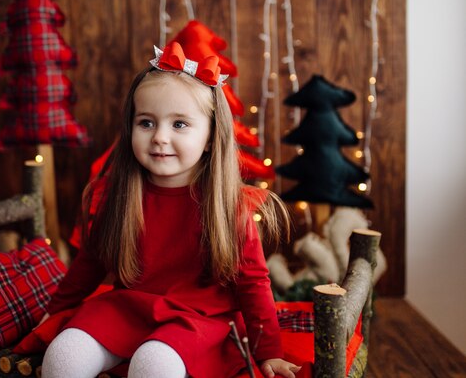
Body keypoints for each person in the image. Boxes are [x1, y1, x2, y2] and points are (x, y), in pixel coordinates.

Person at [41, 42, 301, 378]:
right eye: (146, 123)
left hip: (195, 321)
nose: (160, 137)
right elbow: (88, 264)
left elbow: (253, 284)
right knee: (63, 356)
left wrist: (269, 352)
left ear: (209, 137)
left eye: (179, 124)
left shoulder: (228, 207)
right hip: (128, 311)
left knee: (154, 364)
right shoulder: (115, 196)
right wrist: (55, 311)